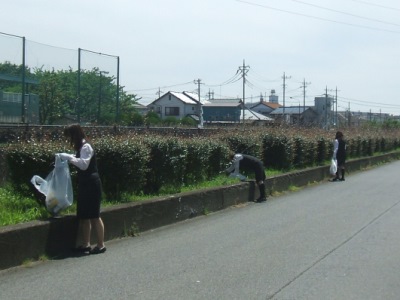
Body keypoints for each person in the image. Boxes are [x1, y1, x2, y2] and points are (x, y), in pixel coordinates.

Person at [59, 124, 106, 255]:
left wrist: (69, 157)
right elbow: (79, 160)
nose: (70, 140)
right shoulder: (81, 147)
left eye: (70, 137)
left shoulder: (86, 146)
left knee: (94, 215)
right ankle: (86, 244)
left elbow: (84, 165)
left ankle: (101, 245)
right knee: (84, 216)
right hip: (85, 183)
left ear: (75, 135)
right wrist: (70, 156)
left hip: (92, 183)